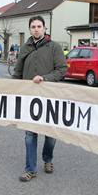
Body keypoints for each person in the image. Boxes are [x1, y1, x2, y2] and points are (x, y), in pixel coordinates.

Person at [12, 16, 67, 182]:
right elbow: (17, 72)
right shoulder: (25, 47)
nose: (36, 29)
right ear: (30, 29)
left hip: (50, 97)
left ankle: (48, 159)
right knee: (30, 134)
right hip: (30, 98)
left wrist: (45, 78)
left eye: (39, 26)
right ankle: (30, 169)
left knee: (50, 134)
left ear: (44, 28)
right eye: (33, 26)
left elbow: (61, 70)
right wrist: (12, 91)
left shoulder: (54, 47)